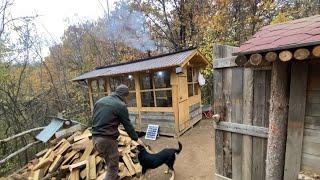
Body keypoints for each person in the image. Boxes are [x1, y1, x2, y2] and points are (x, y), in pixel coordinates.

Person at [91, 84, 144, 180]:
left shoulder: (99, 101)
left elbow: (94, 118)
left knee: (110, 164)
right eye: (126, 97)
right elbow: (127, 125)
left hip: (95, 139)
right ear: (124, 96)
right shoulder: (120, 105)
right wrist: (136, 138)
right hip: (107, 140)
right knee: (113, 168)